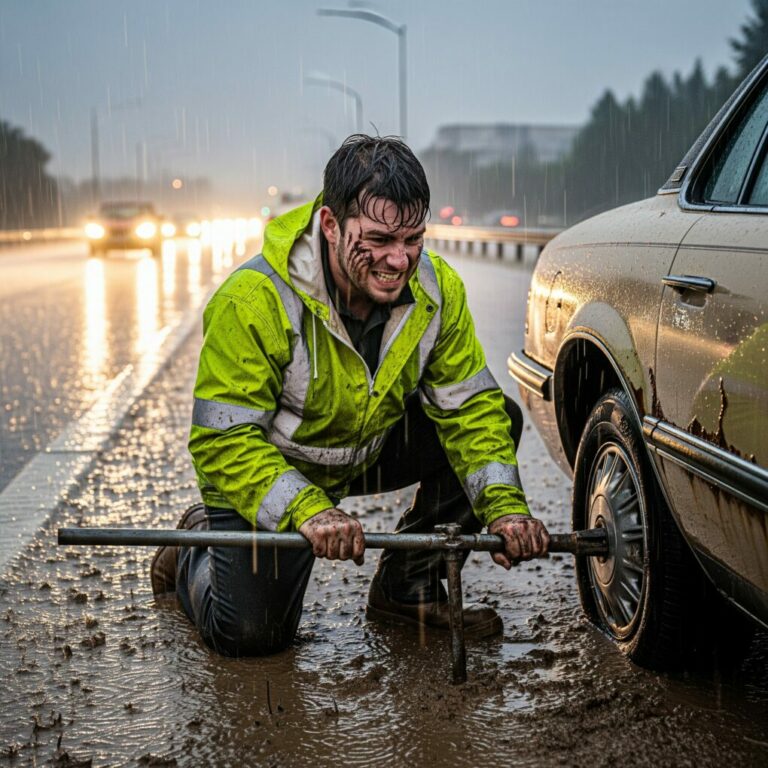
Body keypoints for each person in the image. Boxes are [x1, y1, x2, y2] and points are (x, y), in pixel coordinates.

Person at [151, 134, 550, 656]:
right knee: (250, 637)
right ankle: (193, 551)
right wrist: (306, 508)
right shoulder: (253, 299)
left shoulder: (437, 290)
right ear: (331, 225)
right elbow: (222, 441)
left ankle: (406, 589)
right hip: (275, 469)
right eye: (380, 239)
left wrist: (504, 509)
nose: (399, 259)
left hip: (367, 447)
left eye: (413, 239)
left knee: (498, 413)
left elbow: (470, 409)